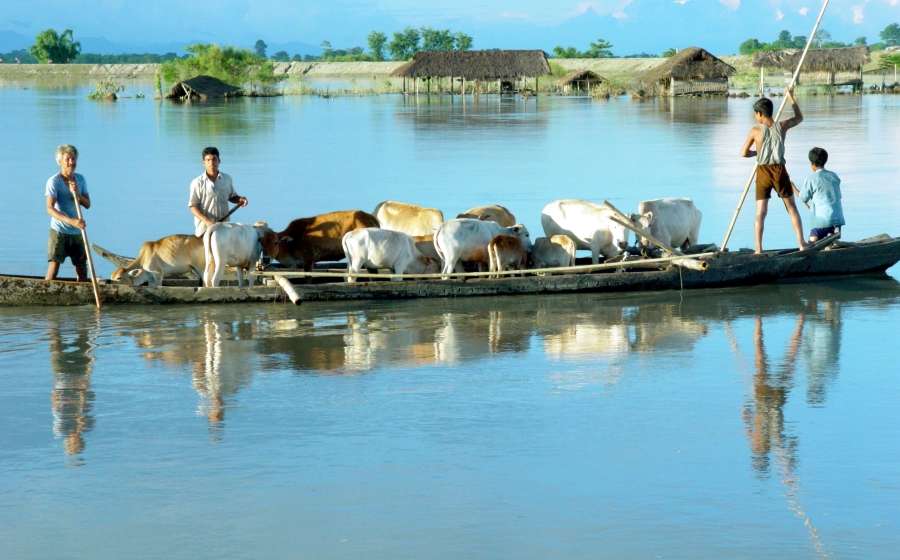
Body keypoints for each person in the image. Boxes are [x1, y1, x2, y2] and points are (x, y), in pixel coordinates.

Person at [740, 90, 806, 253]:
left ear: (759, 113)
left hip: (763, 171)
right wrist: (791, 97)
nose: (755, 117)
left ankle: (758, 249)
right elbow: (799, 118)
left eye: (755, 114)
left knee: (760, 212)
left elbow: (743, 153)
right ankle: (802, 244)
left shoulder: (755, 131)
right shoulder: (782, 126)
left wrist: (757, 152)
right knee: (791, 208)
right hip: (779, 170)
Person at [44, 144, 90, 281]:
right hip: (59, 231)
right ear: (60, 161)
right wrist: (72, 221)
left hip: (77, 232)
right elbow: (49, 209)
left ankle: (83, 295)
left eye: (73, 159)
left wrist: (77, 195)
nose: (71, 162)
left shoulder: (80, 179)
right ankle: (45, 293)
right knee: (54, 269)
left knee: (82, 270)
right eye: (68, 159)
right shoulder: (54, 182)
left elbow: (87, 204)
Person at [188, 146, 248, 237]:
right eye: (208, 160)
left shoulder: (227, 179)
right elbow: (193, 206)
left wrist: (240, 199)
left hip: (224, 228)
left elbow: (232, 197)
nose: (211, 163)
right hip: (204, 230)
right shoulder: (197, 183)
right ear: (203, 162)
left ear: (219, 161)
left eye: (214, 159)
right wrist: (207, 221)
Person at [796, 147, 844, 243]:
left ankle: (823, 240)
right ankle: (830, 241)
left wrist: (793, 188)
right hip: (837, 221)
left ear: (812, 164)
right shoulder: (834, 176)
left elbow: (803, 197)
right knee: (829, 243)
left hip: (821, 222)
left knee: (812, 243)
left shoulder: (811, 178)